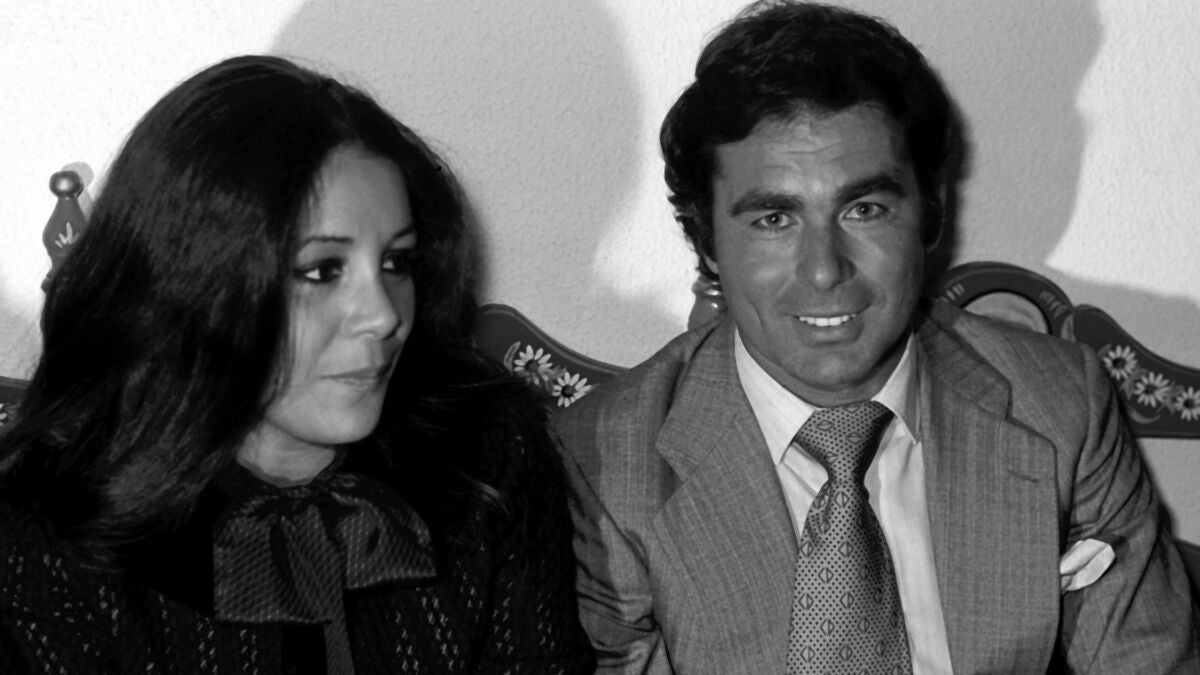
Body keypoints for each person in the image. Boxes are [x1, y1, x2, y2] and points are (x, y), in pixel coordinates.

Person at [554, 2, 1199, 673]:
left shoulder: (1060, 405)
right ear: (708, 242)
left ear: (929, 212)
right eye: (774, 219)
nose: (825, 270)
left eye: (864, 209)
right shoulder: (609, 465)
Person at [0, 55, 594, 674]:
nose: (383, 314)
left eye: (397, 263)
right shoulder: (44, 529)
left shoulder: (488, 451)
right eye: (322, 270)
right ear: (192, 283)